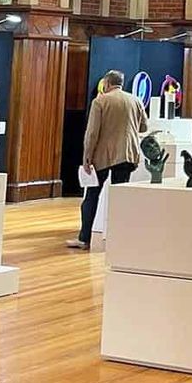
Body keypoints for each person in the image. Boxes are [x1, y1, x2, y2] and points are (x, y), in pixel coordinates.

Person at [68, 69, 147, 250]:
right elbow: (143, 127)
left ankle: (84, 238)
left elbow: (92, 133)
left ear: (107, 83)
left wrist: (87, 157)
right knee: (121, 198)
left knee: (92, 196)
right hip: (126, 155)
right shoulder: (135, 100)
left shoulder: (100, 101)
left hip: (102, 156)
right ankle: (119, 239)